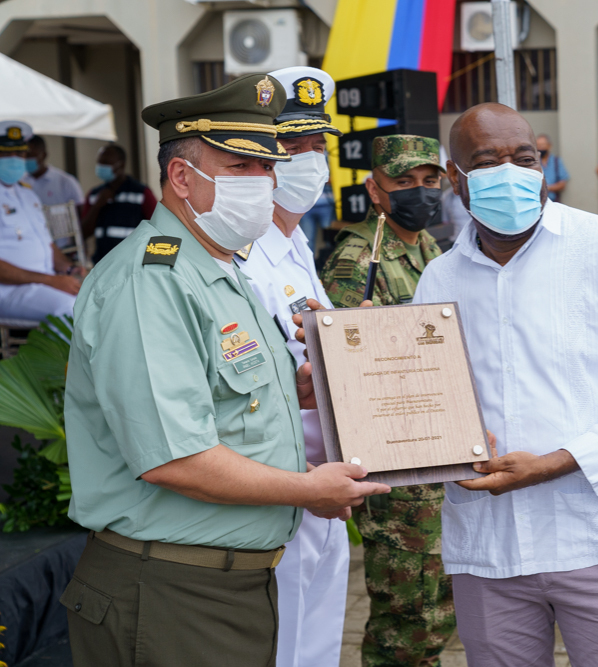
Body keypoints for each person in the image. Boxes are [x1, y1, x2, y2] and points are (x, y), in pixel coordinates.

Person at [61, 74, 390, 667]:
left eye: (268, 167)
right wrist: (308, 489)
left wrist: (303, 393)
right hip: (169, 587)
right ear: (182, 178)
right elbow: (174, 457)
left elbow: (225, 402)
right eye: (242, 166)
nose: (264, 184)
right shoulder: (151, 281)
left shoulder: (219, 269)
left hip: (227, 583)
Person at [414, 102, 598, 667]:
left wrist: (557, 462)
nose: (512, 173)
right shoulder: (439, 278)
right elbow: (426, 401)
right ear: (456, 177)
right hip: (488, 551)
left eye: (525, 158)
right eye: (488, 162)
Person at [230, 66, 352, 667]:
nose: (308, 159)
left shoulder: (298, 245)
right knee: (280, 647)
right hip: (276, 488)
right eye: (290, 145)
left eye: (316, 144)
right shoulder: (238, 256)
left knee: (318, 646)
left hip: (325, 485)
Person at [321, 135, 455, 667]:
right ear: (375, 191)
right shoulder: (359, 259)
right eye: (403, 183)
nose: (419, 193)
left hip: (434, 447)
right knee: (406, 614)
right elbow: (350, 372)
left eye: (429, 182)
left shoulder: (429, 248)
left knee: (435, 604)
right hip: (395, 460)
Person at [0, 121, 81, 321]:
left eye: (19, 154)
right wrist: (51, 280)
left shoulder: (28, 195)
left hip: (43, 284)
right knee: (69, 308)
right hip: (9, 291)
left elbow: (47, 245)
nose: (14, 160)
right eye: (6, 154)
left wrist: (70, 268)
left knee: (100, 301)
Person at [81, 143, 157, 264]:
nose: (101, 167)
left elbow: (157, 227)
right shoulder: (95, 195)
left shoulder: (141, 193)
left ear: (121, 164)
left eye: (106, 163)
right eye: (100, 163)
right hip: (103, 264)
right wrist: (97, 206)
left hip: (132, 264)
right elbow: (83, 233)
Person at [24, 135, 85, 219]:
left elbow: (80, 214)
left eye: (31, 155)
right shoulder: (18, 182)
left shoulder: (65, 182)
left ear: (44, 155)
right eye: (24, 156)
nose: (27, 159)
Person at [537, 134, 569, 202]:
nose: (540, 148)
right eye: (538, 145)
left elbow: (562, 183)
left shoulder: (556, 161)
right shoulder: (534, 162)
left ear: (549, 145)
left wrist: (547, 188)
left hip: (554, 202)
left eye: (543, 145)